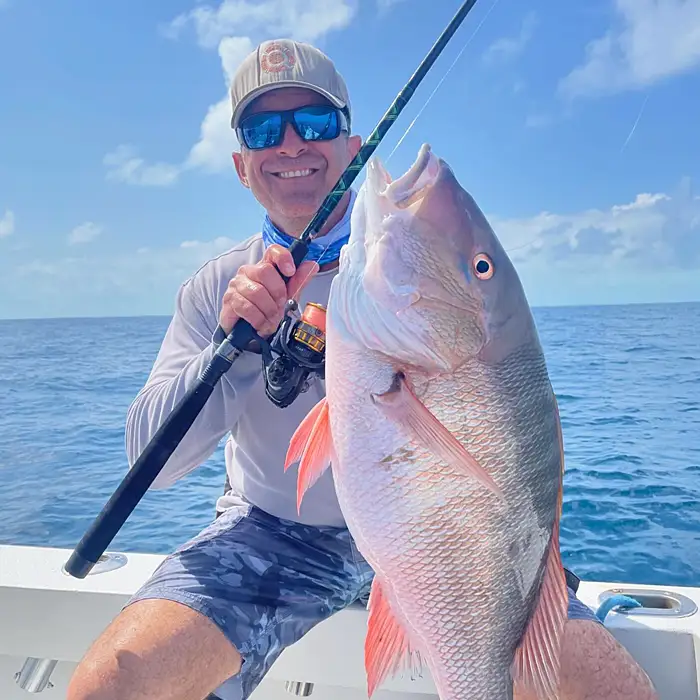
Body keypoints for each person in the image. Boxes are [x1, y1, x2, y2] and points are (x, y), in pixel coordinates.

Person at [66, 39, 659, 700]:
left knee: (615, 691)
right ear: (242, 165)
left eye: (315, 123)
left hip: (445, 539)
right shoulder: (217, 288)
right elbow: (151, 459)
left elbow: (507, 421)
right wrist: (233, 347)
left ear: (352, 147)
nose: (290, 144)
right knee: (111, 687)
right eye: (265, 129)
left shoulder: (411, 258)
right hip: (275, 534)